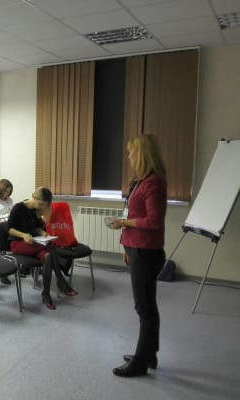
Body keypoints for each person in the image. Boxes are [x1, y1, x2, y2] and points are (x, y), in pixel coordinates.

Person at [110, 134, 167, 377]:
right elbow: (135, 216)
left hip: (146, 252)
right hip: (137, 250)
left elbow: (154, 222)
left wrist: (125, 223)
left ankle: (141, 362)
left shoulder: (153, 183)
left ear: (142, 154)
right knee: (147, 306)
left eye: (131, 152)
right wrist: (127, 249)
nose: (129, 157)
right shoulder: (142, 181)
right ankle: (149, 355)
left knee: (144, 308)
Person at [7, 187, 65, 310]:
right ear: (34, 197)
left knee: (47, 256)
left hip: (33, 244)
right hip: (18, 243)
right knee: (50, 246)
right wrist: (24, 235)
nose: (41, 207)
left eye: (43, 205)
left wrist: (43, 233)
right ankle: (60, 280)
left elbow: (36, 228)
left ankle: (46, 293)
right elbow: (9, 229)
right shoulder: (18, 208)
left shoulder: (34, 210)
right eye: (40, 204)